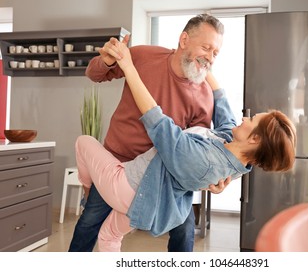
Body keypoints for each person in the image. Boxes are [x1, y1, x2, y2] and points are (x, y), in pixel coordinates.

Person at [75, 41, 297, 251]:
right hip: (145, 184)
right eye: (207, 48)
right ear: (184, 40)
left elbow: (158, 122)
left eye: (252, 120)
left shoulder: (205, 159)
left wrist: (128, 67)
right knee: (107, 235)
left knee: (83, 142)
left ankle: (88, 187)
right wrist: (204, 65)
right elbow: (223, 107)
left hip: (136, 187)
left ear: (254, 139)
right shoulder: (232, 147)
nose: (245, 118)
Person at [69, 14, 230, 252]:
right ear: (184, 39)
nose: (210, 57)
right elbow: (94, 74)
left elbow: (197, 150)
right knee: (89, 222)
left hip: (160, 174)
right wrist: (106, 61)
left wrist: (214, 179)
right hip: (117, 161)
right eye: (206, 47)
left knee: (185, 229)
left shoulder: (205, 95)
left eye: (215, 52)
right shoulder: (144, 56)